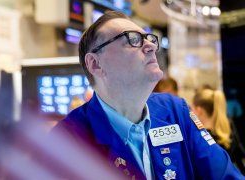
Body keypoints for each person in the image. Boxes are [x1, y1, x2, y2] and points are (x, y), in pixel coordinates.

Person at [54, 11, 244, 179]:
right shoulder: (66, 142)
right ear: (95, 64)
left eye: (149, 38)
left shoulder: (175, 111)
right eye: (133, 39)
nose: (151, 46)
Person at [192, 88, 245, 174]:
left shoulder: (201, 138)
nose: (191, 112)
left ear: (199, 110)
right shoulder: (228, 129)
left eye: (192, 108)